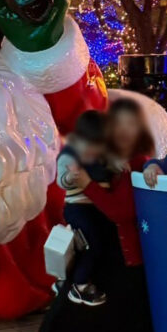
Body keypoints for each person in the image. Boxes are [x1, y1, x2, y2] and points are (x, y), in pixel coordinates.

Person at [31, 98, 163, 332]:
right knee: (66, 319)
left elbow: (121, 210)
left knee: (134, 328)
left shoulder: (135, 162)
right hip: (92, 255)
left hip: (124, 260)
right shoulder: (86, 156)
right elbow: (66, 177)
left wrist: (89, 184)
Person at [57, 111, 114, 307]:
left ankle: (67, 280)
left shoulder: (102, 153)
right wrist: (71, 177)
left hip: (98, 207)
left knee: (96, 243)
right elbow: (61, 180)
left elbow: (109, 169)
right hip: (78, 208)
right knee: (92, 244)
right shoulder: (70, 154)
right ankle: (79, 285)